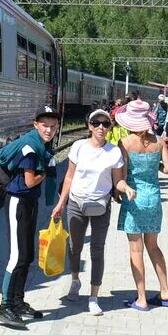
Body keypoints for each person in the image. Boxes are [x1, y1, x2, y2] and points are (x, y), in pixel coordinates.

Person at [53, 109, 127, 316]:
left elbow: (118, 180)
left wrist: (126, 188)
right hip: (76, 202)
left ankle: (94, 297)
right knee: (74, 246)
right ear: (90, 126)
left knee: (97, 250)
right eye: (97, 123)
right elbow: (69, 177)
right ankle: (75, 280)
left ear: (110, 127)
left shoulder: (114, 152)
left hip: (101, 205)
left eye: (105, 124)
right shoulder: (78, 147)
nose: (101, 127)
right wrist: (61, 203)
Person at [0, 107, 60, 330]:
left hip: (29, 203)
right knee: (17, 256)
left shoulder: (42, 145)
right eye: (45, 125)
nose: (49, 130)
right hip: (18, 203)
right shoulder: (31, 148)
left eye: (52, 126)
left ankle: (18, 302)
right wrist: (47, 172)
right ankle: (5, 306)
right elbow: (30, 181)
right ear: (35, 125)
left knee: (27, 256)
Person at [115, 100, 168, 310]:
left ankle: (141, 298)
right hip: (154, 199)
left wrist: (121, 191)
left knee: (136, 250)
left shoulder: (125, 143)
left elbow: (122, 177)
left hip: (134, 200)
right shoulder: (160, 142)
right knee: (153, 246)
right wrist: (153, 166)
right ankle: (166, 293)